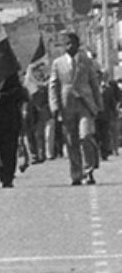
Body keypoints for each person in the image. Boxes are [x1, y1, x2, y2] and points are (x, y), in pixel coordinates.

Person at [49, 31, 103, 185]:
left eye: (73, 43)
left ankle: (89, 170)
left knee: (85, 136)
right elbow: (53, 86)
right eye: (67, 43)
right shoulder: (57, 63)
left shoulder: (86, 61)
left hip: (85, 104)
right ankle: (76, 174)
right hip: (67, 106)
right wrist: (55, 106)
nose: (70, 46)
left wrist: (99, 105)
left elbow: (94, 83)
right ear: (64, 46)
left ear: (78, 45)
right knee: (71, 141)